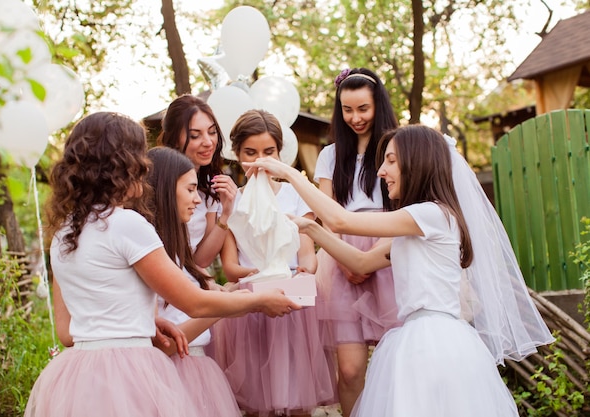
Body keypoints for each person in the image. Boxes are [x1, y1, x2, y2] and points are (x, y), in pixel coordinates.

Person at [244, 124, 555, 417]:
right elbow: (361, 263)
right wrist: (310, 228)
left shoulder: (430, 214)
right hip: (418, 335)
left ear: (416, 163)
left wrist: (288, 173)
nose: (381, 171)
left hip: (434, 340)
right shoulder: (416, 225)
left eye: (390, 161)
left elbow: (341, 220)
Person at [24, 112, 300, 417]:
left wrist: (143, 320)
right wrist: (257, 300)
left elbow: (66, 332)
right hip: (130, 374)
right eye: (139, 157)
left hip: (81, 379)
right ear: (122, 164)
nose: (144, 167)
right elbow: (193, 302)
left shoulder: (64, 232)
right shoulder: (127, 224)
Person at [215, 110, 337, 417]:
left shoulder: (296, 196)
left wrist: (302, 271)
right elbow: (230, 266)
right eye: (250, 153)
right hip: (249, 305)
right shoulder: (233, 201)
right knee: (255, 398)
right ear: (237, 154)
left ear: (279, 153)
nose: (259, 161)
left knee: (296, 392)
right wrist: (262, 275)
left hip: (292, 301)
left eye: (268, 152)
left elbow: (307, 253)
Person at [313, 67, 401, 416]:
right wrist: (346, 259)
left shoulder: (397, 147)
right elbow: (326, 211)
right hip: (342, 260)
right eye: (347, 110)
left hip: (390, 252)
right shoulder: (330, 156)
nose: (355, 118)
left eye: (362, 108)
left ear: (378, 104)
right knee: (349, 369)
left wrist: (373, 257)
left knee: (394, 360)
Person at [146, 146, 242, 416]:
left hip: (198, 369)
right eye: (189, 190)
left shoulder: (179, 254)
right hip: (171, 377)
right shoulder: (151, 258)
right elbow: (164, 346)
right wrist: (226, 305)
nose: (198, 200)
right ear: (165, 190)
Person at [158, 94, 237, 269]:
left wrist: (225, 213)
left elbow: (201, 260)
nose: (208, 142)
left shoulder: (211, 185)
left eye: (212, 132)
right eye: (195, 136)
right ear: (174, 140)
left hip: (192, 279)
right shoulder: (158, 183)